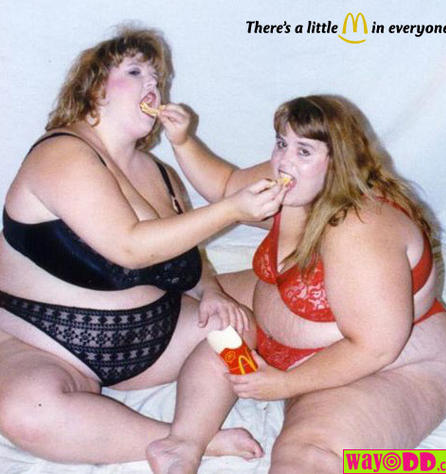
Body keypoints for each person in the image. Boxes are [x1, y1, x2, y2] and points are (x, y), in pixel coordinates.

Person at [0, 27, 288, 466]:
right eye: (135, 72)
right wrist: (231, 209)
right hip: (46, 342)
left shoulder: (163, 175)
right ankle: (193, 440)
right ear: (93, 86)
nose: (152, 84)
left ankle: (188, 439)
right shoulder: (61, 153)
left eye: (158, 78)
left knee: (237, 327)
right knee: (26, 415)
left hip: (157, 337)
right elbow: (130, 247)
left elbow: (189, 259)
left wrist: (211, 292)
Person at [145, 95, 446, 473]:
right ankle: (184, 440)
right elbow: (228, 185)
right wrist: (183, 141)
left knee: (306, 458)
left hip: (384, 361)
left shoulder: (361, 231)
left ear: (338, 162)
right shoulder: (294, 178)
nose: (284, 160)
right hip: (290, 334)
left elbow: (376, 348)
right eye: (282, 143)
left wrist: (285, 385)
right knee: (173, 297)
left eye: (303, 151)